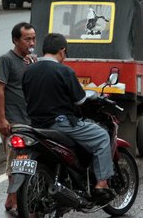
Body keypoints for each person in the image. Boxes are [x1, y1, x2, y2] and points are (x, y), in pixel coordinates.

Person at [22, 33, 115, 203]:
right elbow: (80, 99)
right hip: (61, 124)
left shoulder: (29, 71)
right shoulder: (64, 71)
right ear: (62, 50)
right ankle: (102, 184)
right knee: (102, 136)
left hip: (36, 125)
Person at [0, 22, 37, 214]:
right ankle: (15, 197)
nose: (31, 42)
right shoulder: (5, 60)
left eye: (33, 38)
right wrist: (2, 119)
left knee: (27, 160)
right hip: (13, 120)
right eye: (27, 39)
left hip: (30, 119)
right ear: (15, 40)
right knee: (15, 160)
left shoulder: (31, 61)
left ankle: (13, 198)